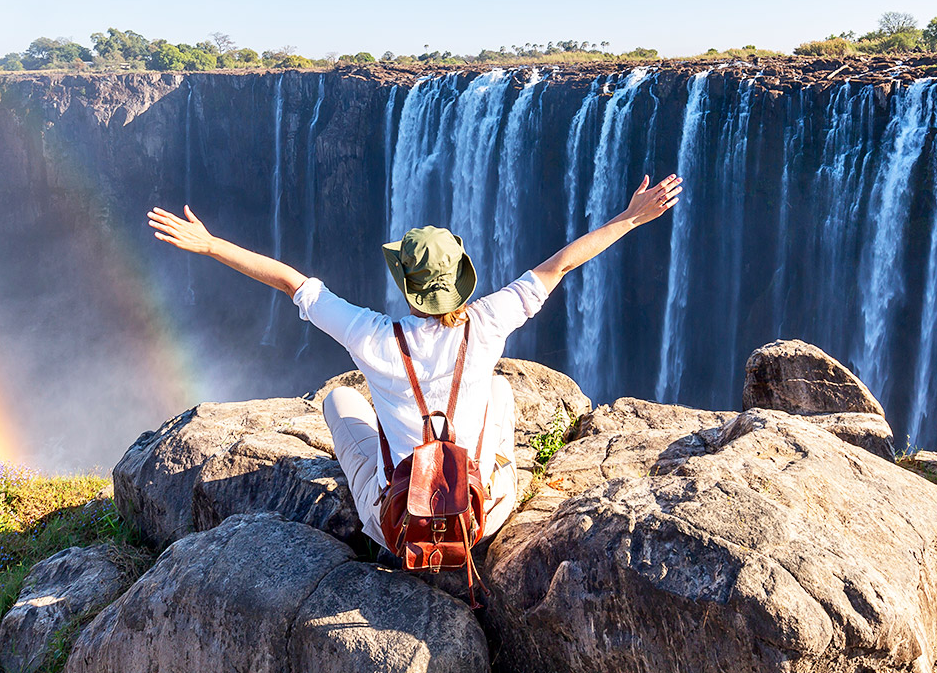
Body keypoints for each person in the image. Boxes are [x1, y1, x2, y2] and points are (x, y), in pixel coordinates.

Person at [147, 172, 683, 549]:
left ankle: (385, 515)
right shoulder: (489, 322)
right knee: (498, 391)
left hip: (397, 527)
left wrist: (211, 245)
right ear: (461, 282)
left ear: (407, 288)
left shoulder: (371, 336)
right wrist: (631, 218)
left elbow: (291, 281)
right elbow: (559, 266)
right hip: (481, 521)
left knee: (339, 399)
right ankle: (496, 492)